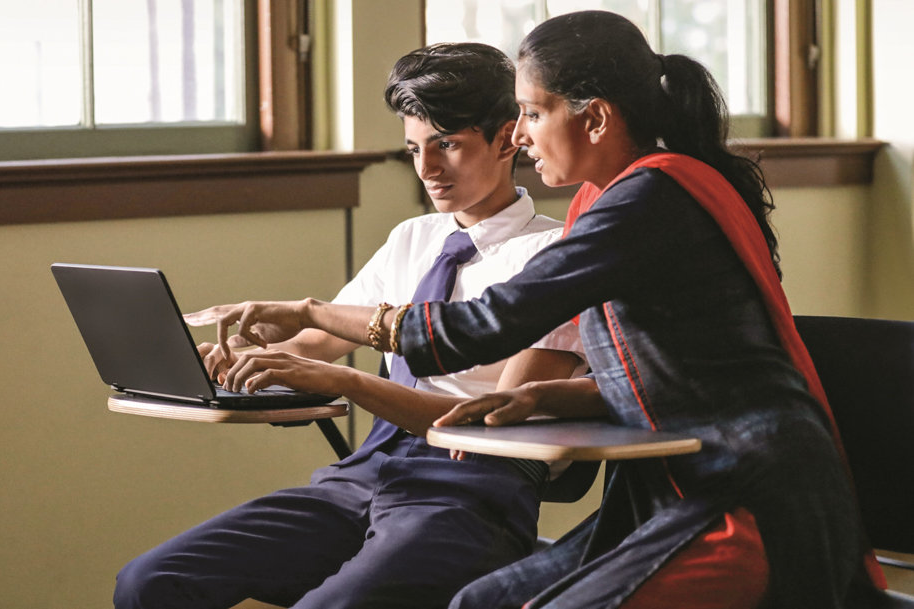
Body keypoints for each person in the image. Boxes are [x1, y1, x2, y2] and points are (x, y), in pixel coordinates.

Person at [191, 11, 891, 609]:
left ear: (594, 117)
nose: (518, 136)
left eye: (529, 112)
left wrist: (309, 310)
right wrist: (544, 395)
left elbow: (476, 328)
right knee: (479, 599)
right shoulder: (609, 201)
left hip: (747, 497)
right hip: (675, 488)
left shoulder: (647, 201)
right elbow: (679, 367)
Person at [113, 42, 591, 609]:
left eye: (448, 145)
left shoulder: (554, 253)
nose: (428, 169)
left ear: (508, 136)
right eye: (414, 148)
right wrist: (244, 359)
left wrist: (346, 382)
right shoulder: (413, 239)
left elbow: (494, 429)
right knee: (149, 582)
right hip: (364, 477)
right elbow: (315, 345)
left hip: (469, 494)